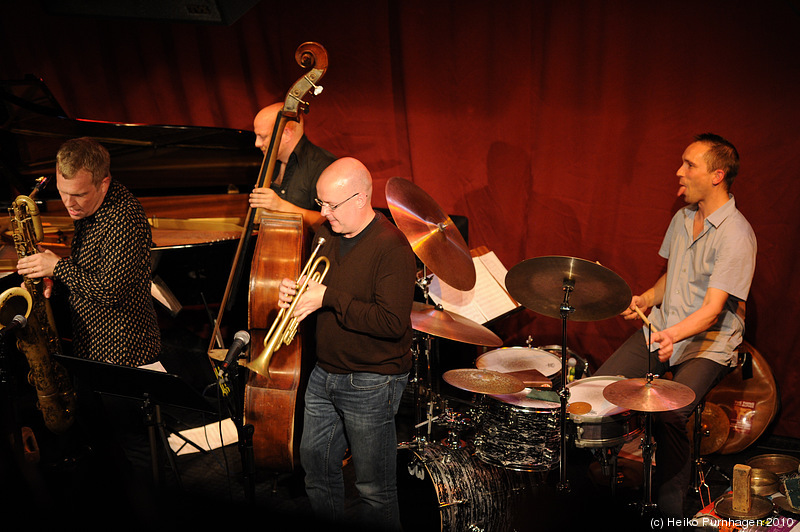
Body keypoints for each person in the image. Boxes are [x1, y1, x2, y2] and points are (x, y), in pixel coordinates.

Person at [594, 133, 756, 519]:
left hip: (707, 342)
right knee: (600, 389)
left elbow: (713, 310)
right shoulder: (682, 219)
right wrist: (648, 299)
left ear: (717, 175)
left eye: (689, 165)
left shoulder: (737, 235)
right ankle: (599, 491)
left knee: (671, 414)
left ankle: (670, 517)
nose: (678, 172)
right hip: (666, 327)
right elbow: (674, 275)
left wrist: (672, 336)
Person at [276, 157, 416, 530]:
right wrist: (296, 293)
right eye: (320, 203)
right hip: (324, 374)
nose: (323, 213)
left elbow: (390, 323)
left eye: (331, 205)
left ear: (360, 199)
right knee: (316, 471)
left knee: (373, 488)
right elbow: (317, 289)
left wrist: (328, 298)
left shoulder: (393, 248)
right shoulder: (325, 234)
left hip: (371, 380)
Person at [17, 137, 160, 368]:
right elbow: (90, 268)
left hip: (124, 356)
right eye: (62, 192)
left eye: (79, 194)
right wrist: (53, 278)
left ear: (103, 184)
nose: (68, 203)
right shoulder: (88, 210)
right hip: (91, 348)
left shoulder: (124, 219)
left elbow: (110, 291)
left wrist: (58, 267)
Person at [248, 102, 337, 228]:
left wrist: (281, 206)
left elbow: (333, 224)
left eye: (262, 137)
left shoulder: (324, 165)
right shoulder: (266, 162)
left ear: (287, 134)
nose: (257, 143)